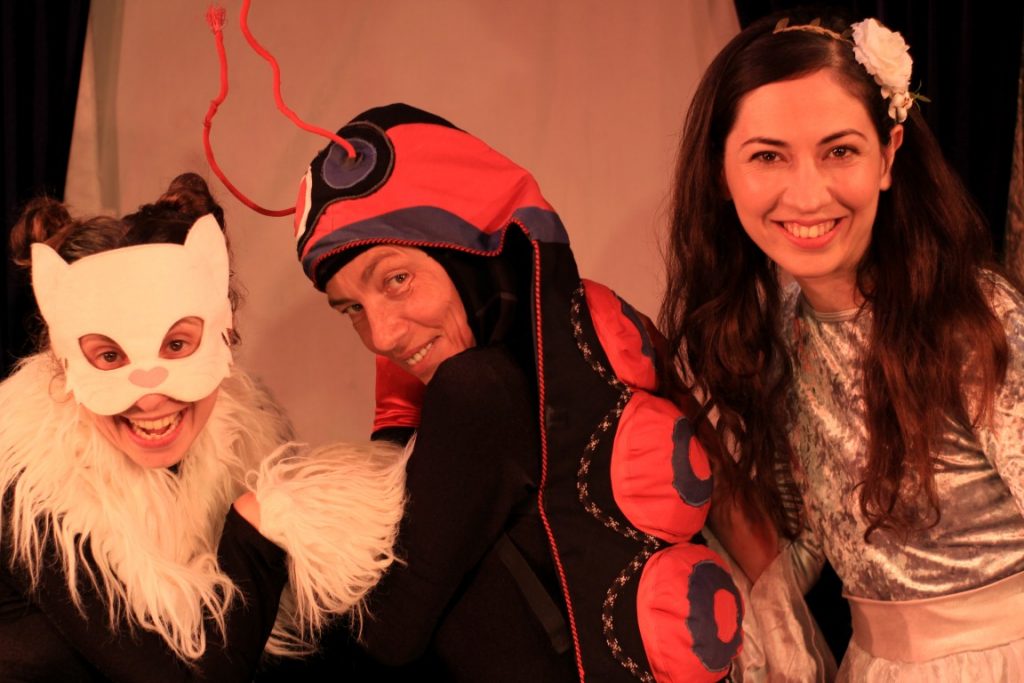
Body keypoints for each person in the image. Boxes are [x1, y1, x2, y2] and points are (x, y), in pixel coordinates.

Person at [265, 102, 743, 682]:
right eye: (352, 310)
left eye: (397, 279)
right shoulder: (581, 342)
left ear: (463, 249)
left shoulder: (475, 391)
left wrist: (264, 531)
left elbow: (388, 634)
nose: (381, 336)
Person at [661, 12, 1024, 681]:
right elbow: (804, 547)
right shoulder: (778, 335)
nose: (808, 194)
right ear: (720, 171)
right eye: (768, 156)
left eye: (840, 151)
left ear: (888, 155)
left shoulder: (970, 316)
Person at [0, 173, 406, 681]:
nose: (149, 396)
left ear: (225, 335)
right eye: (109, 356)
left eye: (177, 346)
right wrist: (256, 529)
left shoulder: (249, 437)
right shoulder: (26, 487)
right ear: (63, 362)